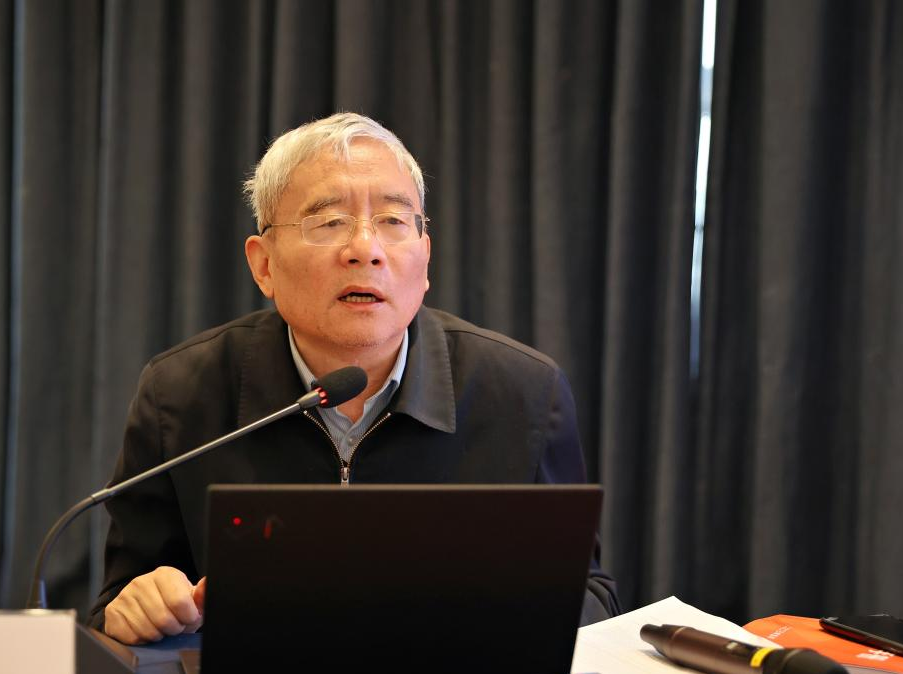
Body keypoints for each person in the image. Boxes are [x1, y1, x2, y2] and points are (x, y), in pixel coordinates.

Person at [89, 113, 619, 643]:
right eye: (328, 222)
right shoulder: (178, 395)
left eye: (393, 220)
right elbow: (116, 608)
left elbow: (589, 595)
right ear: (264, 265)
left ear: (425, 258)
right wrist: (137, 608)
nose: (365, 248)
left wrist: (498, 610)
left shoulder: (524, 395)